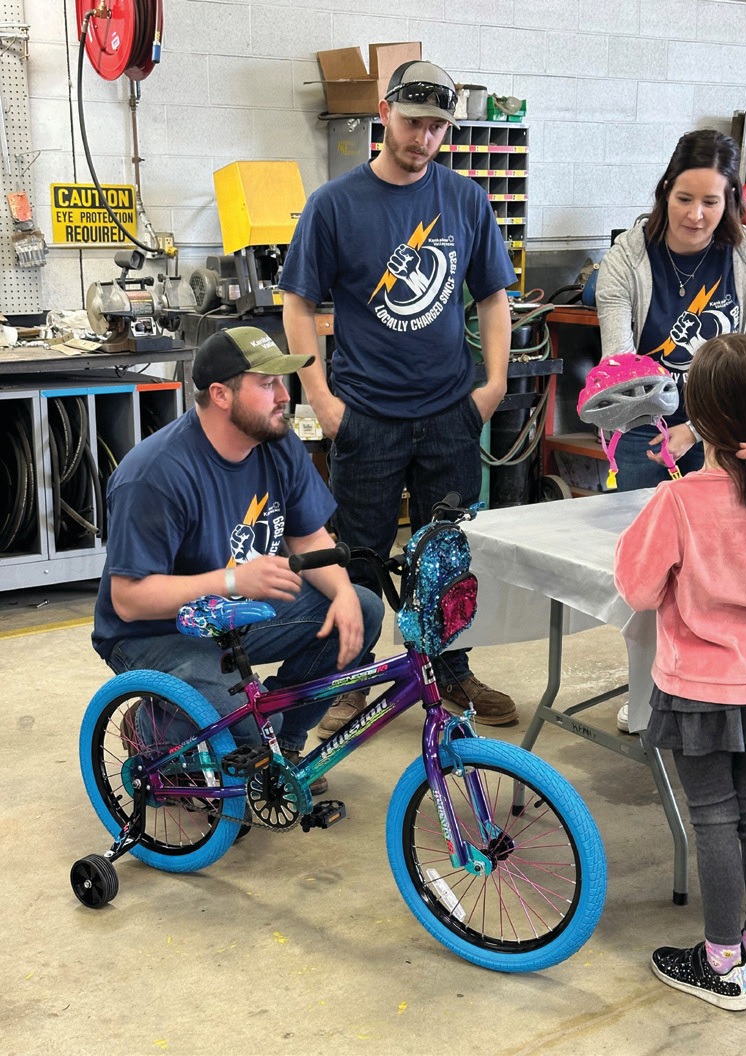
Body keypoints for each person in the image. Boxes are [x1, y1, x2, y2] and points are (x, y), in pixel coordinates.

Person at [279, 58, 518, 735]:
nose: (424, 139)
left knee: (446, 552)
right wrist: (321, 398)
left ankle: (447, 671)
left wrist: (492, 384)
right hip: (367, 414)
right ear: (385, 113)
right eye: (414, 123)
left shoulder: (467, 199)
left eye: (438, 127)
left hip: (449, 412)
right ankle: (350, 679)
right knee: (357, 553)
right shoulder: (336, 203)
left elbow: (494, 297)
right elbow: (298, 304)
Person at [92, 326, 385, 795]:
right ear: (220, 395)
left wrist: (345, 594)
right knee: (241, 723)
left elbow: (309, 538)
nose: (284, 396)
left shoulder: (278, 443)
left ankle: (285, 749)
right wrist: (232, 580)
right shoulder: (154, 475)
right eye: (267, 384)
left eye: (281, 383)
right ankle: (150, 732)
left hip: (235, 614)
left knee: (363, 609)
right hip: (155, 632)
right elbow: (128, 601)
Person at [614, 333, 746, 1011]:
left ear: (701, 416)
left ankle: (720, 962)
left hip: (698, 687)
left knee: (712, 817)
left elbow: (635, 587)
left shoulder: (678, 501)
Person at [596, 128, 746, 494]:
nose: (695, 215)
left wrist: (696, 431)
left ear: (729, 201)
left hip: (723, 428)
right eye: (684, 198)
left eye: (710, 202)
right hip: (641, 427)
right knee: (642, 535)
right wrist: (663, 428)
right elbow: (620, 362)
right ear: (665, 191)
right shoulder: (624, 261)